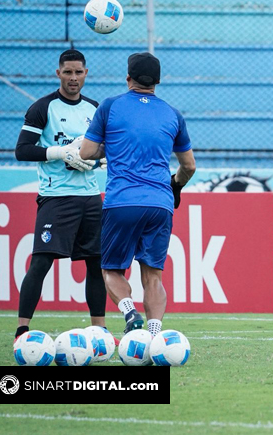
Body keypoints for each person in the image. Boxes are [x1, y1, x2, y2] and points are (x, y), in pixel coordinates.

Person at [79, 52, 196, 337]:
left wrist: (112, 147)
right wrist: (176, 185)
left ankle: (130, 313)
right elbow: (189, 166)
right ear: (157, 81)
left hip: (122, 201)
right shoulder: (172, 114)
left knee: (111, 270)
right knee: (153, 276)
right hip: (160, 203)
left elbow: (86, 152)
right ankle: (156, 333)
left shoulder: (110, 106)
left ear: (128, 78)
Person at [13, 49, 111, 342]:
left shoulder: (95, 109)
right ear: (58, 74)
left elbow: (106, 150)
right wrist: (61, 152)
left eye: (78, 72)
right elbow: (22, 150)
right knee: (41, 263)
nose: (73, 78)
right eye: (67, 72)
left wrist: (93, 160)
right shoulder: (43, 108)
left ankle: (99, 331)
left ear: (86, 74)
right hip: (56, 198)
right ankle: (22, 330)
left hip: (91, 197)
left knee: (96, 264)